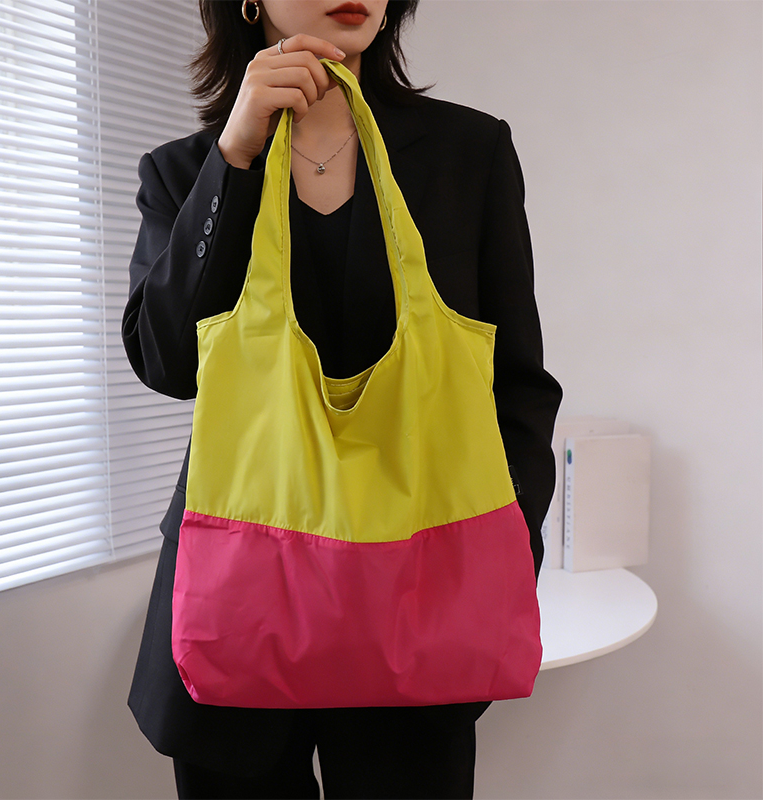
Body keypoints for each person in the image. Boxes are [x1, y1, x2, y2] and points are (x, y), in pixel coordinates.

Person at [122, 1, 563, 798]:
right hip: (240, 600)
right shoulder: (188, 170)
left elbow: (517, 385)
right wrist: (235, 157)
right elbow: (166, 360)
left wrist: (505, 540)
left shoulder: (468, 153)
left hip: (422, 595)